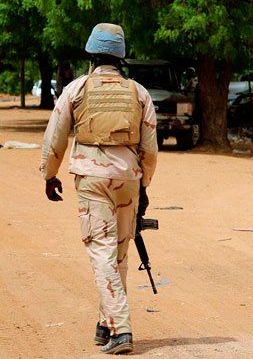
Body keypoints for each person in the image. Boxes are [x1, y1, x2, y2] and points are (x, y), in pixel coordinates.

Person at [40, 23, 158, 355]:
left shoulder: (77, 88)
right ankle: (106, 324)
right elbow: (150, 148)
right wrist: (144, 185)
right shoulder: (138, 92)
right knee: (118, 253)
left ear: (91, 55)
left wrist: (49, 175)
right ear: (121, 58)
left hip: (92, 179)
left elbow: (55, 137)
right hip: (129, 178)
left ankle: (121, 330)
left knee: (102, 252)